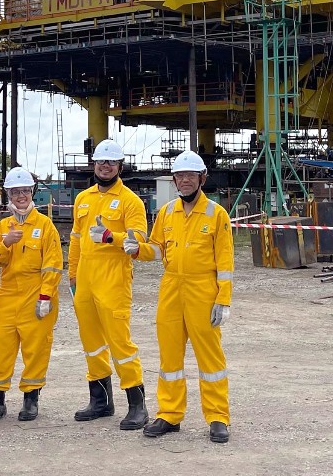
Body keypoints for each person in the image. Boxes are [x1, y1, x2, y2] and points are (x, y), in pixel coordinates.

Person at [129, 150, 233, 444]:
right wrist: (135, 248)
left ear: (202, 178)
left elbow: (225, 262)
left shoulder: (216, 214)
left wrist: (222, 299)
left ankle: (217, 418)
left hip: (203, 290)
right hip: (171, 289)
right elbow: (157, 249)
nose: (184, 180)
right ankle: (169, 415)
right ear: (174, 180)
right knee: (169, 357)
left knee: (210, 359)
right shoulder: (167, 212)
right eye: (180, 175)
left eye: (190, 175)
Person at [69, 139, 149, 430]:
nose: (105, 166)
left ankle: (137, 405)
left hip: (114, 279)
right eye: (101, 161)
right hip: (86, 281)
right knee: (91, 343)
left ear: (120, 166)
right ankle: (100, 401)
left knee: (119, 343)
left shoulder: (130, 201)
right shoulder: (84, 198)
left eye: (111, 162)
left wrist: (111, 237)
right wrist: (73, 275)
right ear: (94, 164)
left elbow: (139, 238)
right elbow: (76, 239)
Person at [0, 167, 63, 423]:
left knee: (36, 348)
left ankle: (31, 400)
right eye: (16, 192)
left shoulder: (44, 225)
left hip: (35, 292)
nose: (21, 196)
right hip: (7, 293)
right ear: (8, 193)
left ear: (32, 193)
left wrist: (46, 296)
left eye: (25, 191)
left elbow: (53, 263)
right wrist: (5, 243)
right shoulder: (3, 226)